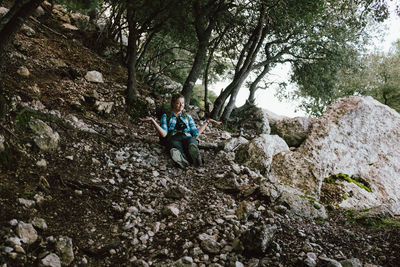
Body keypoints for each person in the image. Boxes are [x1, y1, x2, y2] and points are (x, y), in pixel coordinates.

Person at [140, 93, 221, 168]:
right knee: (175, 145)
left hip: (187, 136)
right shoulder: (166, 116)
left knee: (191, 142)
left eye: (182, 103)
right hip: (173, 137)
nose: (181, 105)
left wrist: (207, 121)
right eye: (178, 103)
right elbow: (164, 134)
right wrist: (152, 121)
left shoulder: (188, 117)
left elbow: (196, 132)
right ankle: (183, 159)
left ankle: (195, 157)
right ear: (173, 104)